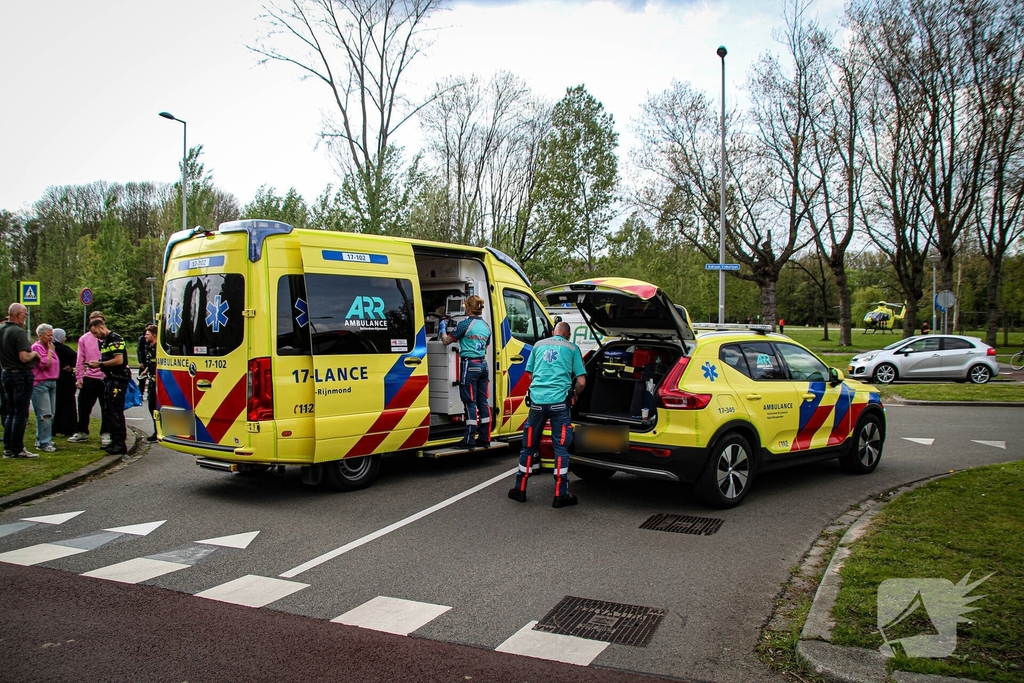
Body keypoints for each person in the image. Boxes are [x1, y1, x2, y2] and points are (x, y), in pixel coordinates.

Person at [508, 321, 586, 508]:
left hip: (537, 403)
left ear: (553, 332)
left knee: (528, 446)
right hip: (559, 404)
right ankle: (560, 495)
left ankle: (520, 489)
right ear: (567, 335)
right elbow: (582, 381)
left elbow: (529, 373)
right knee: (560, 448)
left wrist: (540, 389)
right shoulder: (572, 348)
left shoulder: (538, 345)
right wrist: (574, 393)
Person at [442, 294, 492, 449]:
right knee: (483, 403)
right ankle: (485, 438)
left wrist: (443, 328)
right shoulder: (486, 326)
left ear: (468, 308)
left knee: (470, 403)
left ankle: (469, 440)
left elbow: (446, 341)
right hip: (483, 365)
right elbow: (486, 346)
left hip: (469, 366)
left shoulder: (465, 324)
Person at [1, 303, 41, 458]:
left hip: (6, 373)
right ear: (18, 314)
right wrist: (35, 354)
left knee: (10, 411)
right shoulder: (18, 332)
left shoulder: (2, 329)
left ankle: (8, 448)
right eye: (25, 314)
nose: (26, 317)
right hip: (20, 375)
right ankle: (17, 448)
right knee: (20, 413)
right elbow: (24, 357)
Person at [86, 317, 131, 455]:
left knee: (116, 411)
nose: (95, 336)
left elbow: (118, 360)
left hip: (118, 378)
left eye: (95, 333)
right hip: (110, 378)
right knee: (108, 411)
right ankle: (114, 440)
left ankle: (120, 443)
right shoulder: (104, 341)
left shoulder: (115, 339)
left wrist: (100, 364)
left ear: (101, 327)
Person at [69, 311, 109, 444]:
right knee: (83, 406)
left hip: (105, 377)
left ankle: (106, 432)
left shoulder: (109, 337)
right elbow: (80, 359)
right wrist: (79, 377)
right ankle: (82, 431)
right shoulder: (84, 339)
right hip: (90, 377)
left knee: (106, 407)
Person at [30, 324, 59, 453]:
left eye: (52, 335)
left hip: (52, 382)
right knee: (44, 414)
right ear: (40, 335)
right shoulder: (37, 347)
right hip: (41, 383)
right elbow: (45, 364)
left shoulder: (49, 347)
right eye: (48, 335)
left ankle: (45, 438)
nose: (50, 338)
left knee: (51, 413)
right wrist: (50, 351)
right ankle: (43, 442)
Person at [51, 328, 79, 438]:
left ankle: (55, 427)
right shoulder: (63, 348)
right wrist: (71, 367)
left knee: (55, 404)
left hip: (54, 379)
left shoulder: (50, 348)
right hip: (65, 380)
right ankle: (68, 428)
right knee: (68, 404)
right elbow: (77, 357)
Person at [139, 324, 158, 441]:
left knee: (155, 406)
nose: (145, 336)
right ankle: (156, 430)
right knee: (151, 406)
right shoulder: (149, 347)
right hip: (151, 380)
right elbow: (150, 363)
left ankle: (158, 431)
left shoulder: (158, 348)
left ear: (154, 335)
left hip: (157, 382)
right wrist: (145, 371)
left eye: (147, 334)